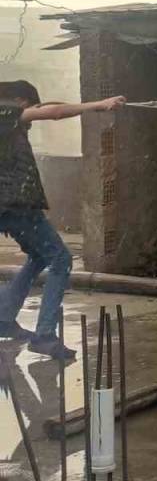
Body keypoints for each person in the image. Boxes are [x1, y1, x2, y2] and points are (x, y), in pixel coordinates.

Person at [0, 80, 125, 359]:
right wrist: (99, 105)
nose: (32, 118)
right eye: (32, 108)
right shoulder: (6, 112)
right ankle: (44, 335)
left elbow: (48, 108)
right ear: (21, 101)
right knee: (61, 259)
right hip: (17, 205)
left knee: (39, 255)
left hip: (9, 208)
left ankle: (4, 318)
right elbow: (53, 112)